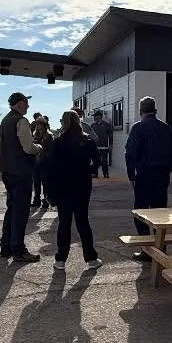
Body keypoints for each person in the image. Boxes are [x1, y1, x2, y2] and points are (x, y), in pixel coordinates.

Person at [47, 110, 101, 271]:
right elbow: (97, 160)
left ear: (63, 122)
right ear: (78, 121)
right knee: (82, 221)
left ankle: (60, 259)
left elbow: (51, 169)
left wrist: (49, 192)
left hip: (62, 187)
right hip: (82, 186)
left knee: (64, 223)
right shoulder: (87, 140)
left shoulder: (58, 142)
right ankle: (91, 258)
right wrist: (88, 171)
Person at [124, 96, 172, 260]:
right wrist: (167, 169)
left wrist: (131, 174)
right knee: (160, 212)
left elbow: (130, 153)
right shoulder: (165, 128)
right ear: (155, 110)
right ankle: (161, 247)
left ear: (140, 111)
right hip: (161, 174)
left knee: (140, 212)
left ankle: (147, 249)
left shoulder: (138, 127)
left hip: (144, 174)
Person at [0, 91, 42, 262]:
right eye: (26, 103)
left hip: (7, 170)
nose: (28, 107)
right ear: (20, 104)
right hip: (20, 171)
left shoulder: (5, 120)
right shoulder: (21, 121)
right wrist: (39, 148)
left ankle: (6, 247)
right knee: (21, 211)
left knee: (11, 208)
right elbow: (28, 148)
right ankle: (18, 250)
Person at [30, 113, 54, 210]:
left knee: (45, 183)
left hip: (45, 162)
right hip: (36, 162)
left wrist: (44, 154)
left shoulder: (49, 135)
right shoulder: (34, 134)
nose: (37, 125)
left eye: (39, 124)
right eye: (37, 124)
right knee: (36, 182)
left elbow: (51, 150)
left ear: (43, 125)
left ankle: (46, 201)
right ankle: (36, 200)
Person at [89, 111, 114, 177]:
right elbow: (90, 135)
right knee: (95, 161)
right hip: (95, 147)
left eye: (96, 116)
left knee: (104, 161)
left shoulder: (106, 125)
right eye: (95, 117)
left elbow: (110, 135)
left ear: (100, 116)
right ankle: (95, 173)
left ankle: (105, 174)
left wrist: (111, 145)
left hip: (104, 147)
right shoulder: (92, 125)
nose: (95, 118)